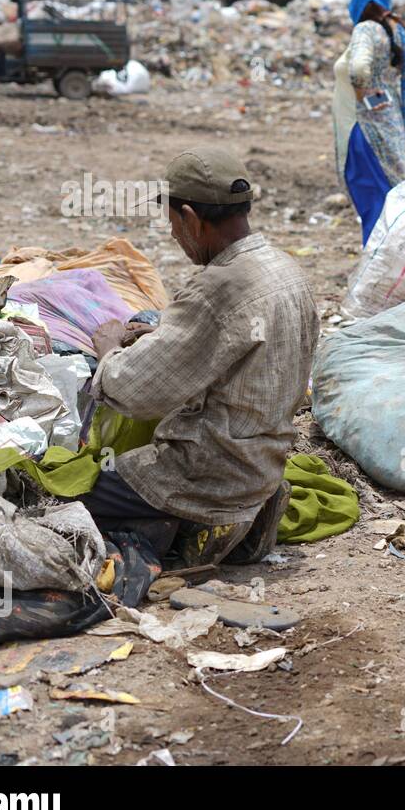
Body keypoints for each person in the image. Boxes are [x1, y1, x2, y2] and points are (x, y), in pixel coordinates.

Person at [83, 146, 319, 566]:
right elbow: (241, 345)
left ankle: (190, 523)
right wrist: (164, 336)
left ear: (190, 217)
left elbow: (133, 392)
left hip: (206, 472)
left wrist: (109, 348)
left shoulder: (217, 289)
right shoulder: (287, 271)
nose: (173, 234)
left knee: (69, 488)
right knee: (156, 322)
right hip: (263, 465)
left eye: (173, 222)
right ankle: (243, 514)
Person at [332, 0, 405, 244]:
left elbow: (359, 67)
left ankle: (376, 253)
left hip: (365, 124)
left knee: (371, 193)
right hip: (392, 120)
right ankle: (391, 253)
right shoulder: (396, 28)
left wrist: (364, 89)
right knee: (392, 191)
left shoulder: (365, 30)